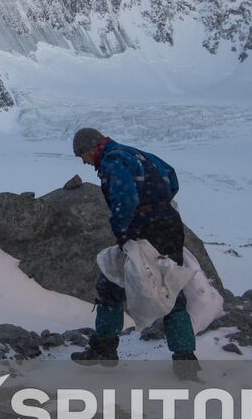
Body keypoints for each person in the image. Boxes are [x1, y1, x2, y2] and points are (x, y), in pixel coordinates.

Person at [70, 128, 198, 371]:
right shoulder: (134, 153)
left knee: (110, 283)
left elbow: (125, 199)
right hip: (169, 224)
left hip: (145, 229)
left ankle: (104, 349)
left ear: (91, 148)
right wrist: (159, 204)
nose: (84, 162)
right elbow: (171, 177)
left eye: (82, 156)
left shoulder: (112, 161)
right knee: (171, 287)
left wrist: (123, 230)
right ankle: (186, 360)